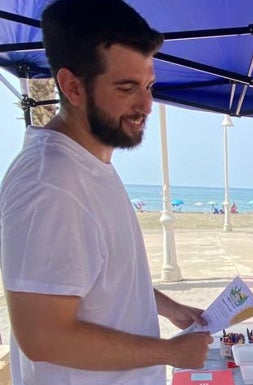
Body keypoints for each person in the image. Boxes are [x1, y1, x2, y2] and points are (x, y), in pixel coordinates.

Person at [0, 1, 212, 384]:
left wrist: (164, 306)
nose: (146, 104)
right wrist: (169, 352)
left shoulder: (88, 163)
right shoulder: (51, 184)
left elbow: (97, 277)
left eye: (148, 86)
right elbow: (43, 337)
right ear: (72, 86)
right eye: (126, 88)